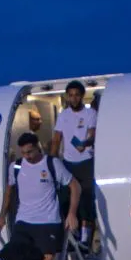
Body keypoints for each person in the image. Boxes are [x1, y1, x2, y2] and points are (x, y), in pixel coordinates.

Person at [0, 132, 80, 260]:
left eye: (30, 152)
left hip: (47, 222)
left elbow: (75, 186)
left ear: (37, 147)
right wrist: (1, 216)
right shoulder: (16, 167)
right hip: (24, 221)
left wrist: (72, 213)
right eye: (23, 152)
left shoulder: (52, 164)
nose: (27, 156)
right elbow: (9, 192)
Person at [51, 79, 98, 249]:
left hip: (85, 160)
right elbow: (57, 139)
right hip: (68, 162)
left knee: (86, 197)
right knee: (66, 197)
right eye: (70, 95)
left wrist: (85, 143)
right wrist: (52, 161)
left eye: (77, 95)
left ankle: (86, 236)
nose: (74, 99)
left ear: (82, 97)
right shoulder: (63, 115)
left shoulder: (90, 113)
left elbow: (92, 135)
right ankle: (72, 233)